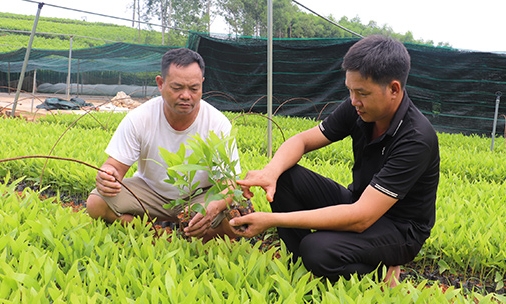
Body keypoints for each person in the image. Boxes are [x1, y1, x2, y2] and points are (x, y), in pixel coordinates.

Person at [230, 35, 440, 286]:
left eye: (361, 93)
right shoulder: (358, 108)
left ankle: (379, 269)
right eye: (350, 90)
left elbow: (361, 217)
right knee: (285, 177)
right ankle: (305, 267)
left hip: (399, 230)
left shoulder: (416, 138)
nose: (353, 101)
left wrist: (270, 221)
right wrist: (270, 172)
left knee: (317, 250)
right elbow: (302, 141)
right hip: (359, 200)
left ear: (394, 89)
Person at [86, 48, 240, 242]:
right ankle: (157, 231)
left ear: (202, 84)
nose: (186, 95)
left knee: (238, 219)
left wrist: (213, 208)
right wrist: (107, 176)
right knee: (96, 203)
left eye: (193, 88)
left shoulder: (217, 123)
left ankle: (198, 231)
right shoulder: (140, 118)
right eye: (177, 88)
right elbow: (114, 166)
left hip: (198, 197)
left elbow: (229, 184)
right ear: (161, 83)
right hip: (151, 192)